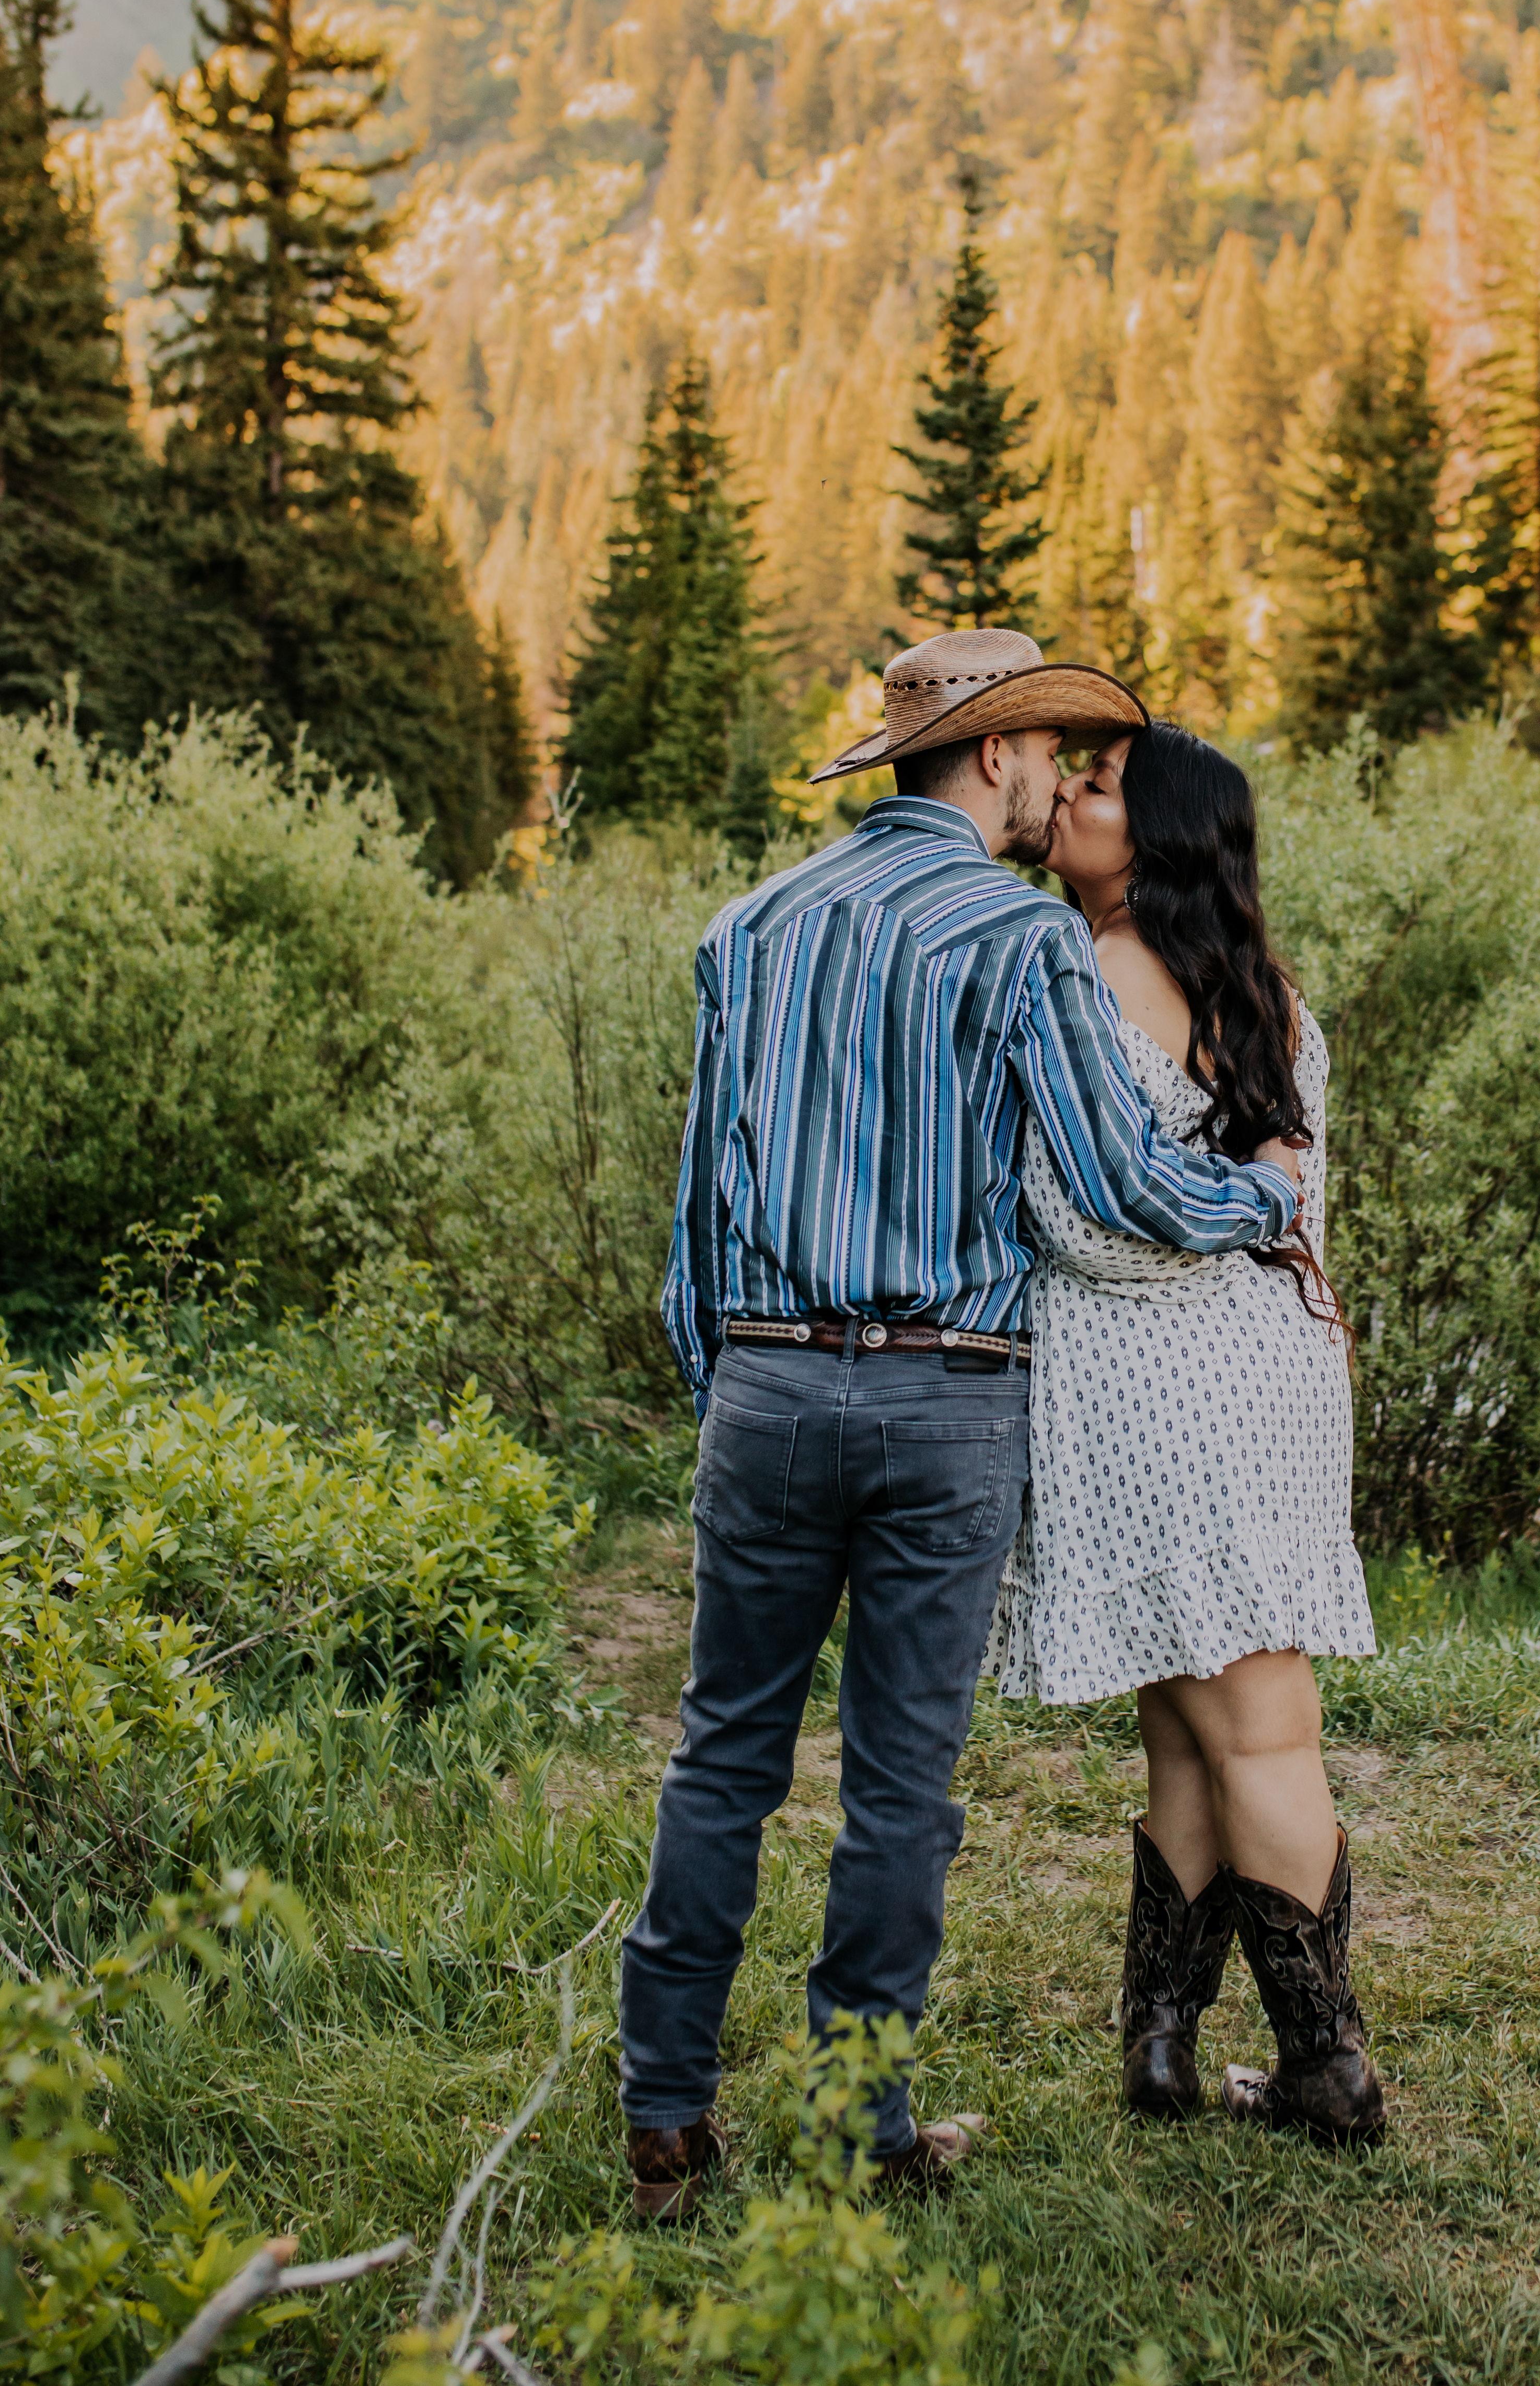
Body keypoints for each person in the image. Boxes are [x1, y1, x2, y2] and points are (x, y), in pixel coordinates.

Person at [616, 632, 1310, 2221]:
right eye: (1051, 754)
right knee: (897, 1790)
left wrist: (735, 1390)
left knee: (722, 1757)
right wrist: (1262, 1194)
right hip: (946, 1402)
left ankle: (666, 2118)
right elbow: (1123, 1181)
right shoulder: (1020, 938)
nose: (1060, 784)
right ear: (994, 757)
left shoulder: (749, 927)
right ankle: (859, 2129)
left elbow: (696, 1226)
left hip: (768, 1387)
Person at [986, 721, 1390, 2143]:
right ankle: (1159, 2049)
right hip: (1272, 1382)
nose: (1066, 796)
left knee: (1260, 1733)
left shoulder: (1087, 974)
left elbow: (1084, 1225)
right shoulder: (1270, 995)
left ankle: (1327, 2069)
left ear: (1154, 834)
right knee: (1188, 1729)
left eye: (1098, 787)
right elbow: (1292, 1209)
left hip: (1162, 1395)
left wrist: (1172, 1248)